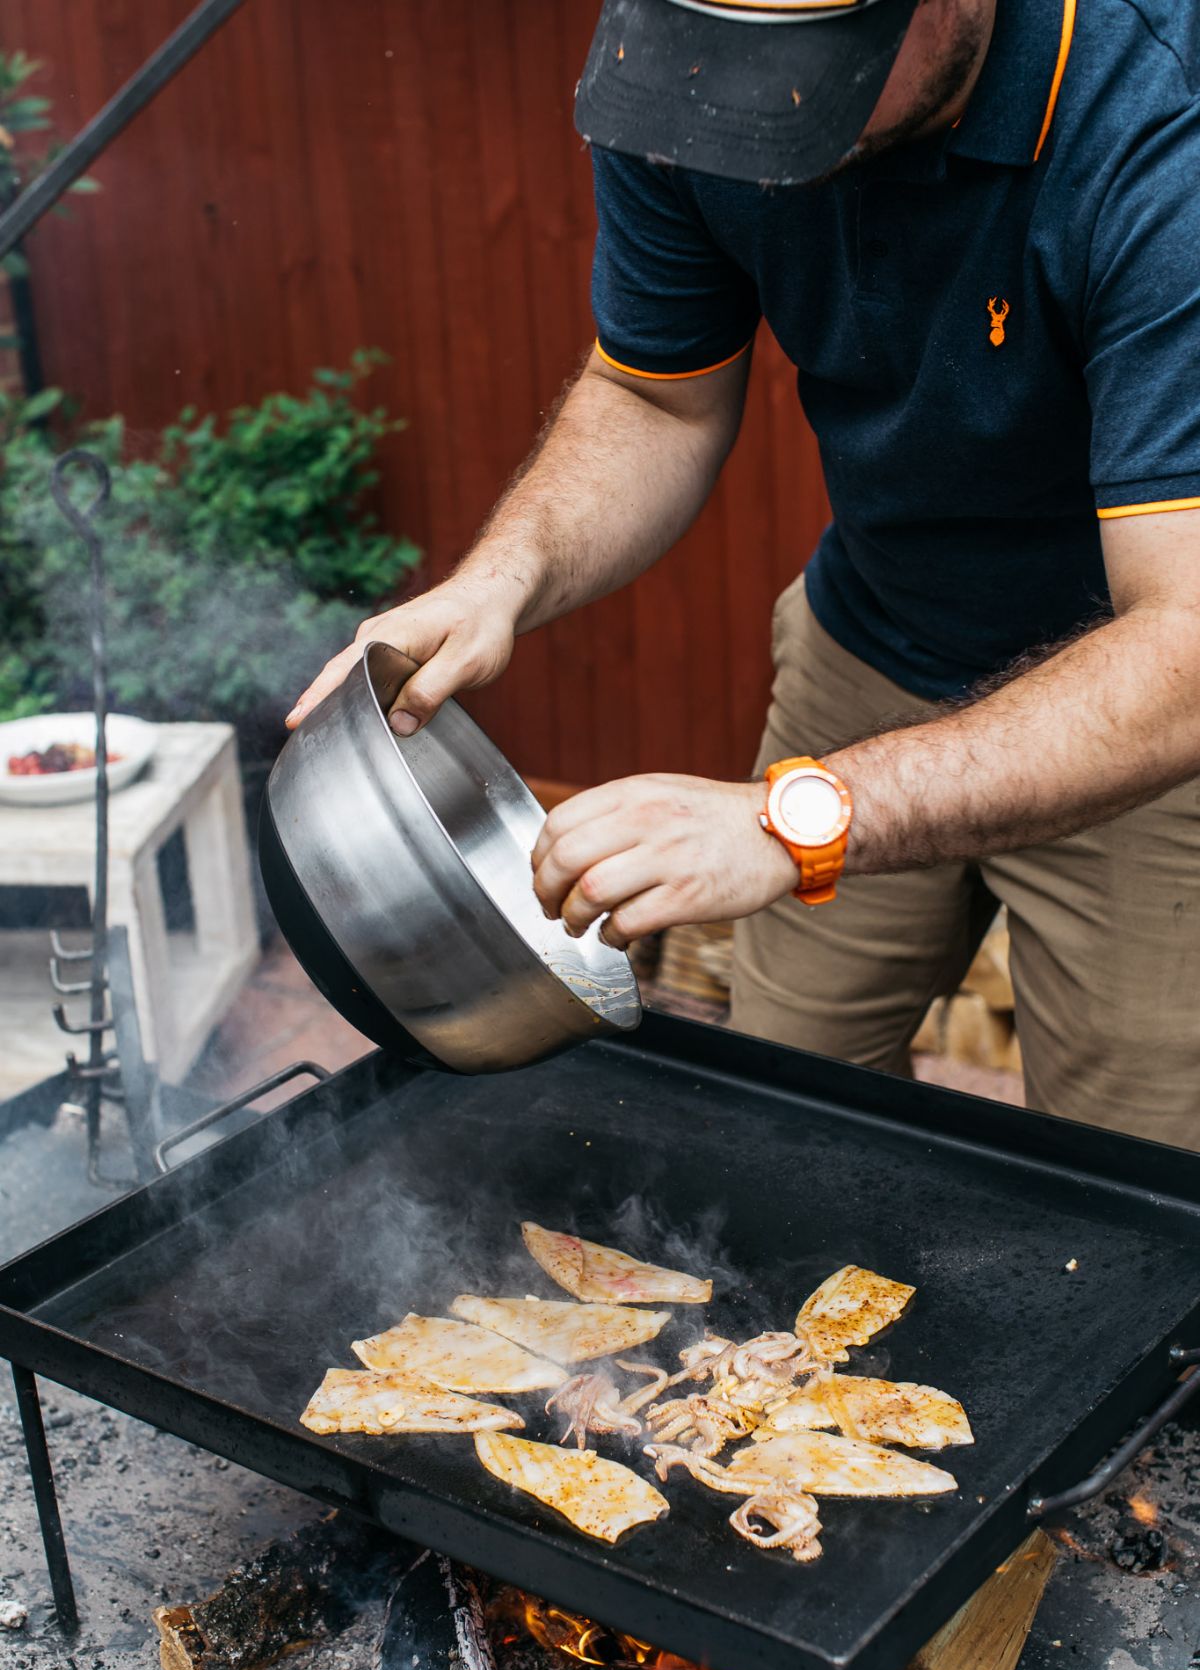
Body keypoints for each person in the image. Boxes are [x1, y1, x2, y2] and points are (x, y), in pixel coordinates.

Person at [290, 0, 1200, 1152]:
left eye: (817, 69)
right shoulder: (686, 62)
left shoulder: (1161, 129)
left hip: (1150, 713)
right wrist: (497, 580)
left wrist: (786, 825)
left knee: (1137, 1203)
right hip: (872, 641)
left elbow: (1186, 645)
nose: (764, 107)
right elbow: (653, 396)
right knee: (779, 1104)